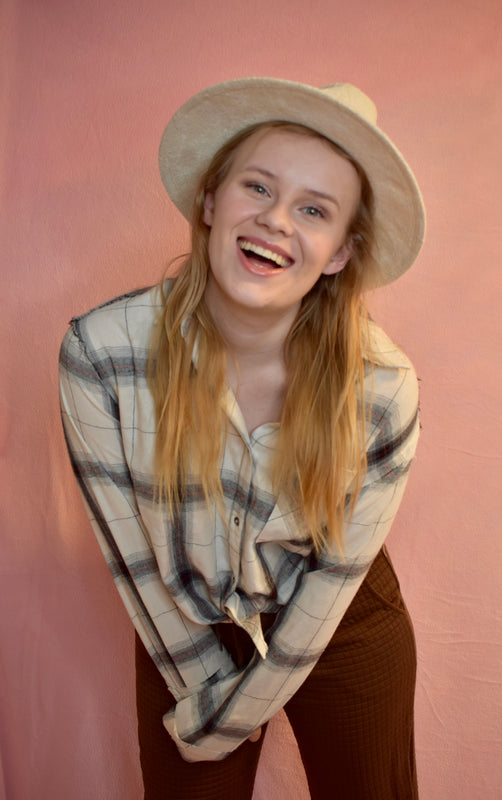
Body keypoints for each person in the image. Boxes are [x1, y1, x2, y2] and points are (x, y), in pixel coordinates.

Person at [59, 78, 425, 800]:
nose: (275, 221)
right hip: (182, 616)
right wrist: (204, 696)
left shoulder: (383, 390)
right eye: (256, 188)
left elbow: (334, 576)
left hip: (337, 613)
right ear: (209, 200)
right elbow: (132, 556)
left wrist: (233, 717)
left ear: (338, 254)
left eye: (313, 209)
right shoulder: (99, 353)